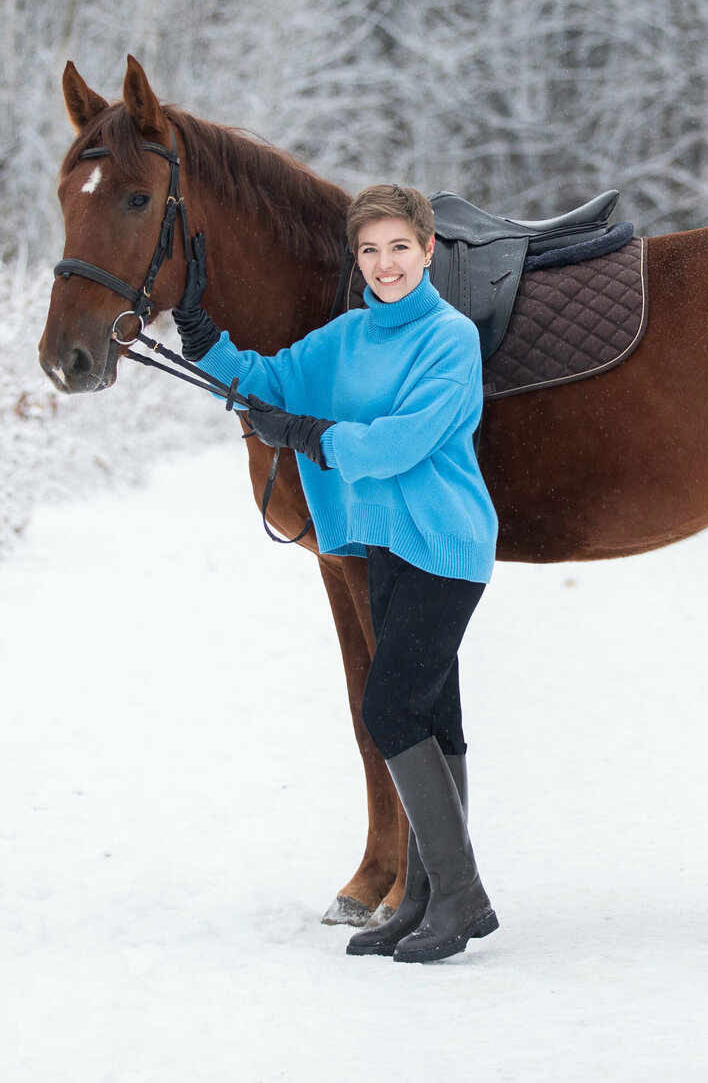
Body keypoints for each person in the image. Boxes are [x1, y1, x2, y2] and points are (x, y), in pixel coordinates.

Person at [171, 183, 502, 963]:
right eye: (370, 250)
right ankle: (423, 894)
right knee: (431, 718)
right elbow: (266, 381)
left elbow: (396, 444)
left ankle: (462, 894)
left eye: (399, 248)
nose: (385, 264)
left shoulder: (449, 340)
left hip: (445, 548)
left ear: (427, 251)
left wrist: (312, 435)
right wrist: (199, 329)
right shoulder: (346, 337)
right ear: (356, 260)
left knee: (387, 709)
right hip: (384, 546)